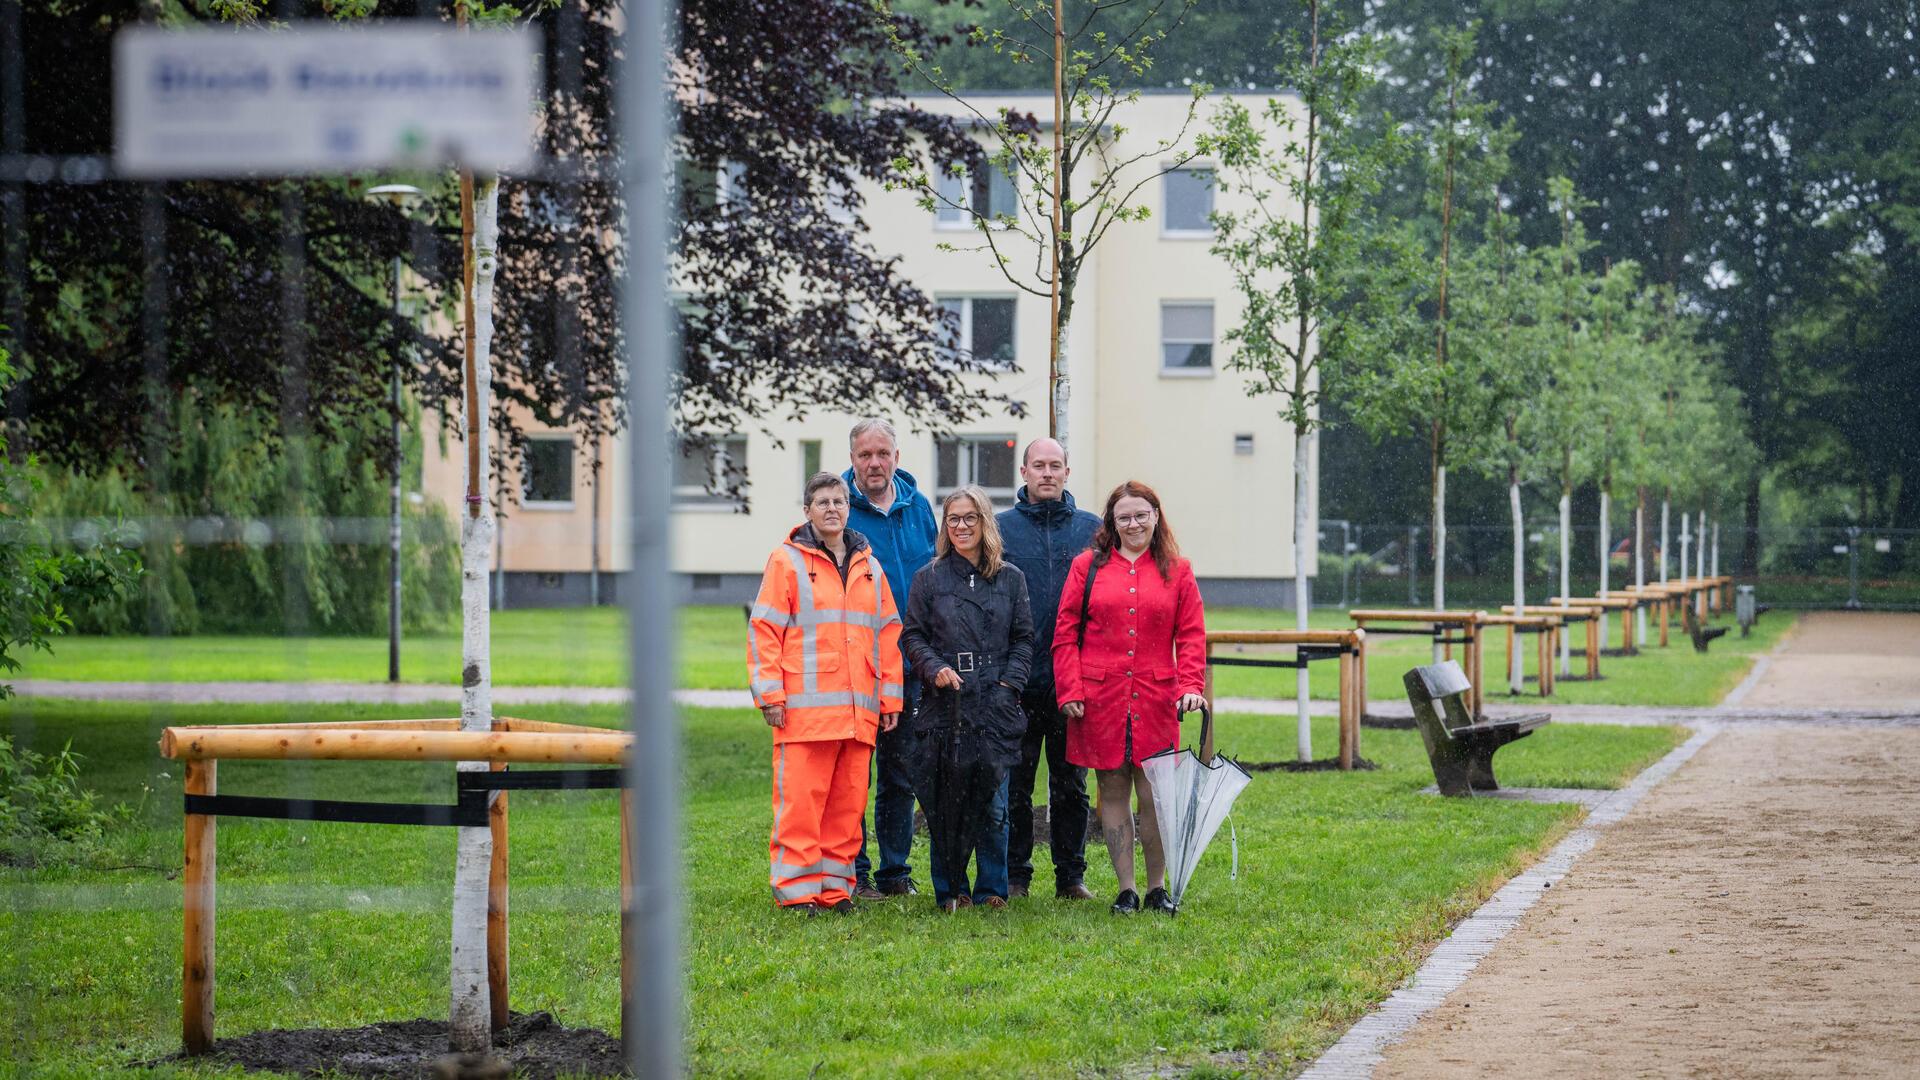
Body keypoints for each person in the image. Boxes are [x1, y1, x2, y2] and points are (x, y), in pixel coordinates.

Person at [747, 472, 904, 915]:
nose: (832, 508)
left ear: (848, 508)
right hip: (803, 713)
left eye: (839, 501)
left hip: (858, 713)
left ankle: (835, 890)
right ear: (807, 511)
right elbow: (764, 630)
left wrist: (890, 698)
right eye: (823, 502)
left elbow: (888, 633)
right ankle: (798, 893)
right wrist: (769, 695)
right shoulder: (787, 561)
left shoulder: (869, 567)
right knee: (801, 808)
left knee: (846, 809)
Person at [1052, 481, 1207, 916]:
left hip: (1157, 697)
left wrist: (1191, 686)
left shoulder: (1179, 570)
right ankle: (1127, 889)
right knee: (1112, 788)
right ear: (1112, 522)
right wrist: (1070, 689)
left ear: (1156, 516)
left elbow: (1191, 635)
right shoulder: (1088, 567)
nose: (1134, 523)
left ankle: (1158, 887)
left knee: (1155, 793)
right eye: (1125, 517)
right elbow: (1065, 634)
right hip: (1100, 697)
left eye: (1141, 515)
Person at [900, 485, 1035, 912]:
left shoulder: (1010, 578)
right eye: (953, 519)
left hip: (994, 702)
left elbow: (1024, 639)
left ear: (985, 523)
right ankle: (950, 888)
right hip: (947, 704)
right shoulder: (930, 577)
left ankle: (991, 888)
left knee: (994, 801)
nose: (961, 526)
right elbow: (913, 636)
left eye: (969, 518)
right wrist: (933, 667)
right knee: (947, 800)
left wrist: (1008, 686)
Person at [996, 437, 1101, 901]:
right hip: (1018, 680)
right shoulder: (1000, 530)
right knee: (1015, 785)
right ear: (1023, 472)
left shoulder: (1093, 531)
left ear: (1067, 472)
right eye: (1038, 465)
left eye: (1055, 465)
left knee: (1071, 786)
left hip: (1073, 682)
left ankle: (1070, 877)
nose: (1046, 473)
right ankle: (1016, 874)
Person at [841, 418, 939, 899]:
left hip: (912, 663)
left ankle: (895, 873)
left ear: (897, 456)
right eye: (865, 455)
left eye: (883, 453)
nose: (875, 463)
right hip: (856, 668)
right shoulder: (837, 509)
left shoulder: (919, 507)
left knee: (901, 772)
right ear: (853, 459)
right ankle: (853, 871)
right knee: (854, 774)